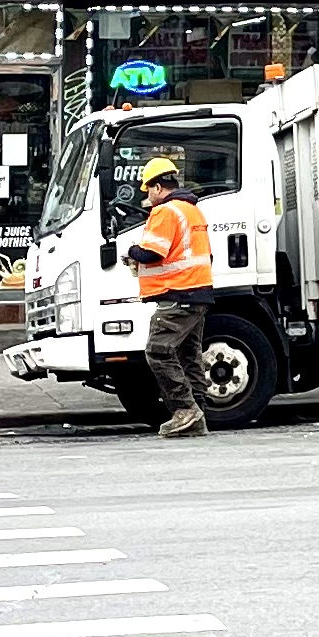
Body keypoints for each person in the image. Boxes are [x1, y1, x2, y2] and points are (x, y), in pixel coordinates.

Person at [123, 157, 215, 437]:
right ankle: (197, 417)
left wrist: (131, 250)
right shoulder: (192, 210)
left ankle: (185, 409)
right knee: (189, 356)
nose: (147, 196)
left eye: (148, 189)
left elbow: (153, 252)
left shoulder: (165, 211)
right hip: (198, 292)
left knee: (158, 351)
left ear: (159, 186)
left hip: (178, 293)